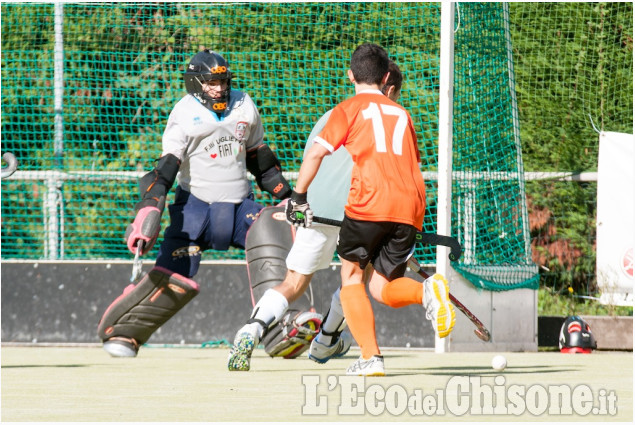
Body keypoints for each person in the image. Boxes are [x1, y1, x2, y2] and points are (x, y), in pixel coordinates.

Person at [97, 49, 292, 357]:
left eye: (222, 81)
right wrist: (149, 207)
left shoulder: (244, 104)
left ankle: (284, 331)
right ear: (195, 83)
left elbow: (262, 163)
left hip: (242, 208)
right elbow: (167, 166)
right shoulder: (184, 112)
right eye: (211, 82)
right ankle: (126, 331)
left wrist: (290, 199)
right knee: (171, 274)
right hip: (195, 209)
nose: (219, 88)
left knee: (278, 247)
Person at [285, 43, 456, 376]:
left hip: (368, 201)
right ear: (387, 75)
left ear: (350, 75)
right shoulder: (402, 114)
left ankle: (370, 357)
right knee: (380, 287)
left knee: (351, 278)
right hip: (411, 204)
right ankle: (426, 291)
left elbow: (316, 155)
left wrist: (299, 196)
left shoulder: (348, 108)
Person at [227, 61, 404, 372]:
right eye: (397, 94)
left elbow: (314, 154)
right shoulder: (390, 119)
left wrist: (299, 199)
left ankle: (251, 330)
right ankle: (326, 340)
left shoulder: (333, 113)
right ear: (388, 86)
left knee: (293, 281)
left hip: (316, 206)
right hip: (359, 209)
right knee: (355, 280)